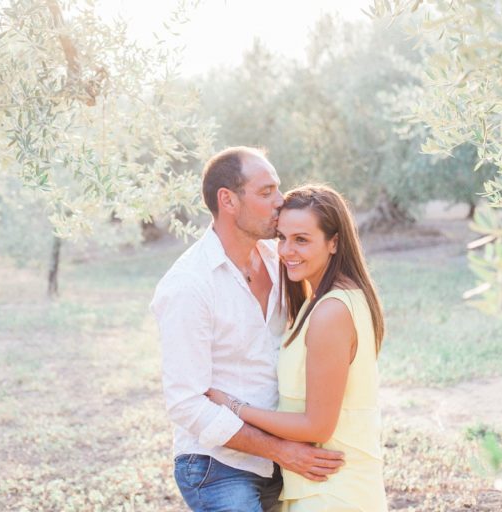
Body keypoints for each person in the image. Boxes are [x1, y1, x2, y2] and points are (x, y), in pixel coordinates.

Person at [151, 148, 345, 512]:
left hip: (284, 458)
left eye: (278, 189)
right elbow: (186, 403)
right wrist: (281, 450)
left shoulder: (280, 260)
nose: (280, 201)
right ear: (228, 200)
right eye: (266, 191)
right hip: (219, 465)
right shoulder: (188, 286)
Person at [206, 184, 388, 511]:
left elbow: (316, 426)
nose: (287, 251)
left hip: (332, 491)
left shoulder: (331, 311)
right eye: (282, 238)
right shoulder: (320, 302)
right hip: (318, 485)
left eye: (301, 239)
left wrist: (234, 406)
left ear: (334, 242)